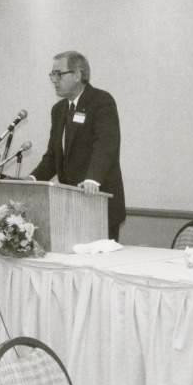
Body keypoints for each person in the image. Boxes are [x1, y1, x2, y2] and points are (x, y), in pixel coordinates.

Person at [30, 50, 126, 241]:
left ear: (77, 75)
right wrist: (32, 180)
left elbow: (106, 144)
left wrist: (93, 179)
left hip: (97, 200)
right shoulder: (58, 110)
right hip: (68, 207)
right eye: (52, 74)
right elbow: (53, 155)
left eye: (59, 74)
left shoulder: (101, 101)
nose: (54, 80)